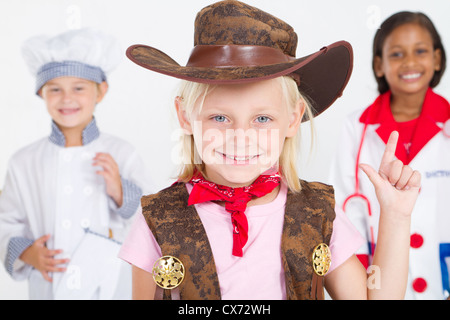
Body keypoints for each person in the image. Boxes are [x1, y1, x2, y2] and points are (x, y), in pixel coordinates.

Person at [119, 0, 421, 300]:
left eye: (262, 118)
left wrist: (395, 215)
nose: (241, 137)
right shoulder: (158, 220)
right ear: (185, 116)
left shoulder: (318, 213)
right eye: (219, 118)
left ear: (292, 120)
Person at [0, 28, 154, 299]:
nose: (67, 98)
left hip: (108, 283)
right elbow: (6, 220)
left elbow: (152, 217)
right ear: (41, 93)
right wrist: (27, 252)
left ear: (100, 91)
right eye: (55, 89)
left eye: (79, 88)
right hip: (47, 284)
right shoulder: (23, 162)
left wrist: (120, 191)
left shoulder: (121, 152)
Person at [329, 11, 450, 299]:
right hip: (380, 283)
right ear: (379, 65)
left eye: (420, 51)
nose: (409, 62)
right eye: (397, 54)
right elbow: (344, 210)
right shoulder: (357, 127)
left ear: (436, 58)